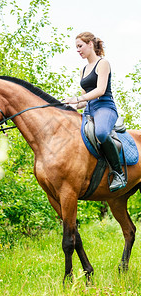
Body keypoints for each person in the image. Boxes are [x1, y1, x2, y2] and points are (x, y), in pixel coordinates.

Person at [66, 31, 126, 192]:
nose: (77, 50)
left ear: (90, 44)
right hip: (89, 110)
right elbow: (85, 99)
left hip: (105, 108)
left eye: (80, 46)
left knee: (100, 133)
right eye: (76, 47)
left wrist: (78, 98)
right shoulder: (84, 70)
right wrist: (69, 104)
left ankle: (119, 173)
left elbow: (100, 90)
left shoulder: (103, 63)